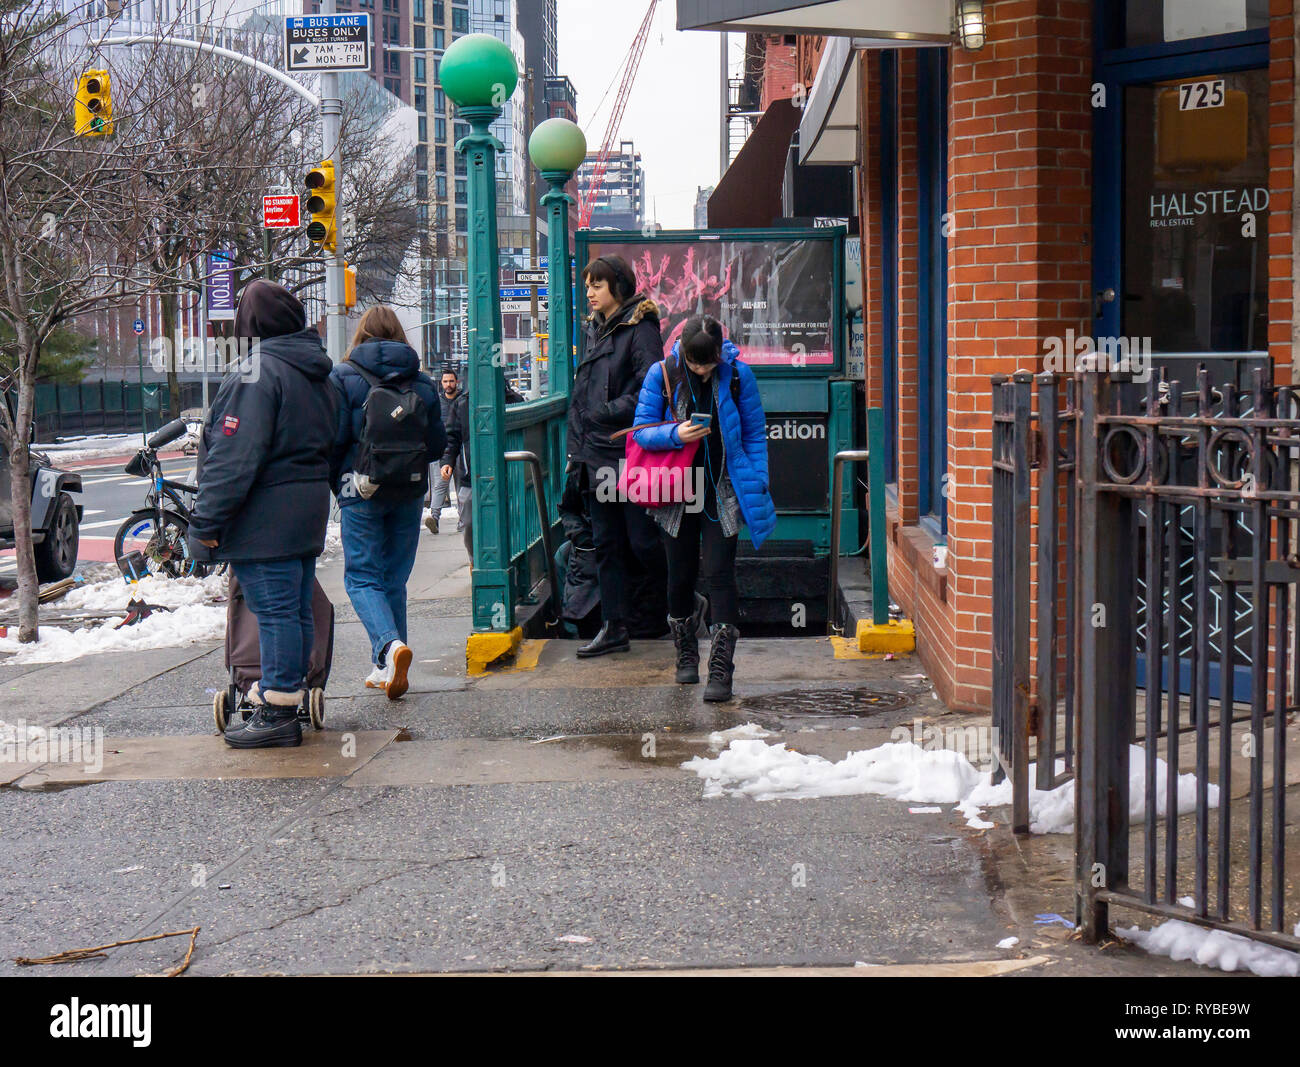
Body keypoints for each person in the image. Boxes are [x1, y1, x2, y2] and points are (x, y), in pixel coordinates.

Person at [187, 280, 337, 747]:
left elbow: (233, 458)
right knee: (293, 609)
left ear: (248, 325)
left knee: (274, 612)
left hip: (264, 517)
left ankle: (276, 710)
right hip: (304, 510)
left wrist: (205, 524)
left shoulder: (257, 373)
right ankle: (288, 697)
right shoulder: (315, 372)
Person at [631, 315, 776, 701]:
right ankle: (685, 653)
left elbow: (754, 433)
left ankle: (721, 668)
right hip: (676, 492)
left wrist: (758, 480)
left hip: (723, 489)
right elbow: (641, 430)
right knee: (679, 576)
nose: (700, 370)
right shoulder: (660, 374)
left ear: (718, 354)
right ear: (683, 352)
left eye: (708, 364)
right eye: (694, 364)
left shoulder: (738, 376)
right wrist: (675, 433)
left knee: (720, 573)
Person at [330, 307, 445, 700]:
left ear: (361, 335)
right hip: (408, 492)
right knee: (393, 579)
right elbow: (438, 446)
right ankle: (385, 667)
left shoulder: (343, 377)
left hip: (360, 490)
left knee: (361, 577)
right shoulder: (424, 384)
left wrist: (341, 481)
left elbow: (332, 438)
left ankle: (388, 647)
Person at [566, 254, 667, 658]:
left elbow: (652, 387)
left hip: (628, 454)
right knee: (606, 542)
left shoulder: (639, 329)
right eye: (588, 284)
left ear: (618, 288)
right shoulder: (598, 329)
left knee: (642, 541)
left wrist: (604, 413)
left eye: (597, 285)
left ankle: (682, 600)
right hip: (595, 453)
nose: (589, 292)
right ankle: (613, 627)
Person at [439, 373, 524, 564]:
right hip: (471, 476)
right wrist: (447, 461)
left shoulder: (514, 400)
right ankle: (475, 562)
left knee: (511, 522)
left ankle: (508, 563)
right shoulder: (462, 404)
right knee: (469, 524)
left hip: (509, 474)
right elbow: (451, 436)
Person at [425, 366, 463, 535]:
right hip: (441, 448)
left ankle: (463, 520)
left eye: (451, 381)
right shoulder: (437, 402)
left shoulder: (463, 400)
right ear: (441, 383)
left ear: (457, 382)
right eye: (445, 381)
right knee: (440, 484)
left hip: (461, 448)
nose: (448, 384)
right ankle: (434, 517)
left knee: (462, 485)